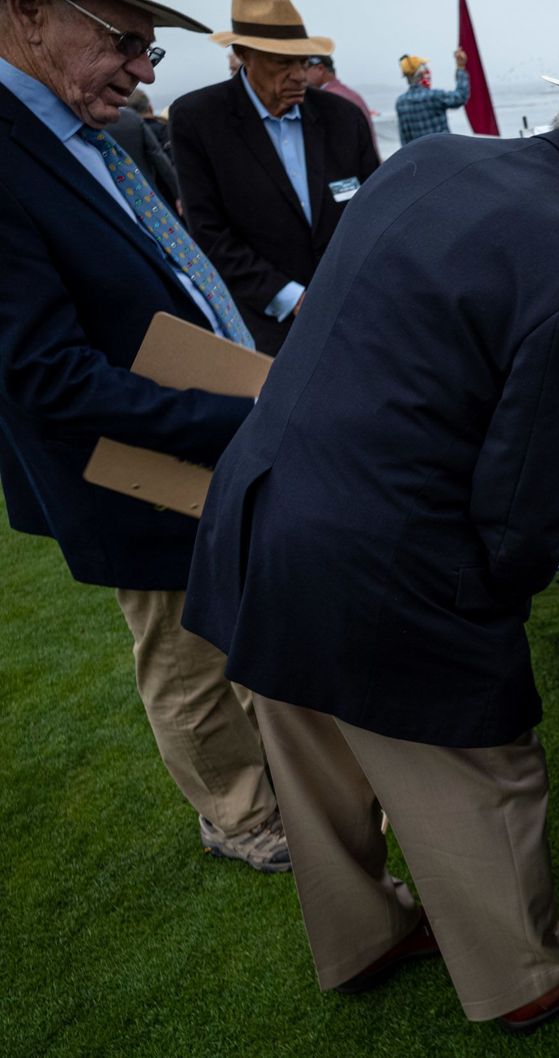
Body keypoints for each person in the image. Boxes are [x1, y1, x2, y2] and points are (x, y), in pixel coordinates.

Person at [182, 11, 559, 1031]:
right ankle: (526, 972)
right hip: (383, 562)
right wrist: (492, 600)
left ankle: (360, 935)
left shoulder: (428, 161)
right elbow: (529, 493)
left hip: (262, 505)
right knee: (488, 770)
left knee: (311, 758)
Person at [0, 0, 287, 873]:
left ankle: (279, 782)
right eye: (124, 43)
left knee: (236, 622)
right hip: (128, 467)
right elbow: (42, 372)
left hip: (193, 435)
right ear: (32, 13)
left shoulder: (80, 131)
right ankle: (241, 819)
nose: (146, 70)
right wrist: (231, 418)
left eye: (149, 45)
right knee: (184, 648)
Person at [168, 0, 379, 356]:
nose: (298, 74)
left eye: (303, 61)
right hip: (266, 326)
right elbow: (209, 233)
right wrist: (294, 298)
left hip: (357, 311)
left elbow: (376, 209)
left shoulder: (343, 117)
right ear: (244, 54)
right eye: (283, 62)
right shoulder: (198, 120)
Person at [394, 48, 467, 146]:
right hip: (444, 153)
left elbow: (404, 139)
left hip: (418, 158)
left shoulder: (400, 102)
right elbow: (460, 97)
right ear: (421, 74)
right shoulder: (434, 96)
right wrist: (460, 67)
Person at [305, 53, 375, 146]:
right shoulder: (352, 95)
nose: (300, 75)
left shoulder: (327, 100)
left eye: (304, 68)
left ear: (320, 69)